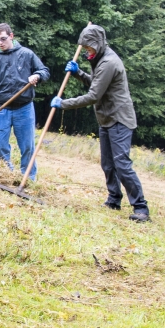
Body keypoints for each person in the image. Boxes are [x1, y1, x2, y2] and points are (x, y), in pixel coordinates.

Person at [51, 23, 149, 222]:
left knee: (122, 164)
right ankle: (114, 199)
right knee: (107, 164)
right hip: (106, 118)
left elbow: (94, 95)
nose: (87, 52)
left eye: (89, 48)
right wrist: (79, 73)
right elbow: (97, 83)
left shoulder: (109, 62)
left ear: (98, 43)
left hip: (119, 118)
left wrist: (64, 103)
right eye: (85, 49)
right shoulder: (100, 58)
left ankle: (141, 208)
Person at [0, 23, 49, 179]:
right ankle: (7, 175)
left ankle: (28, 178)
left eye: (3, 39)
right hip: (0, 109)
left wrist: (37, 75)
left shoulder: (27, 54)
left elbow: (44, 71)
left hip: (24, 108)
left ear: (11, 36)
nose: (0, 43)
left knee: (27, 147)